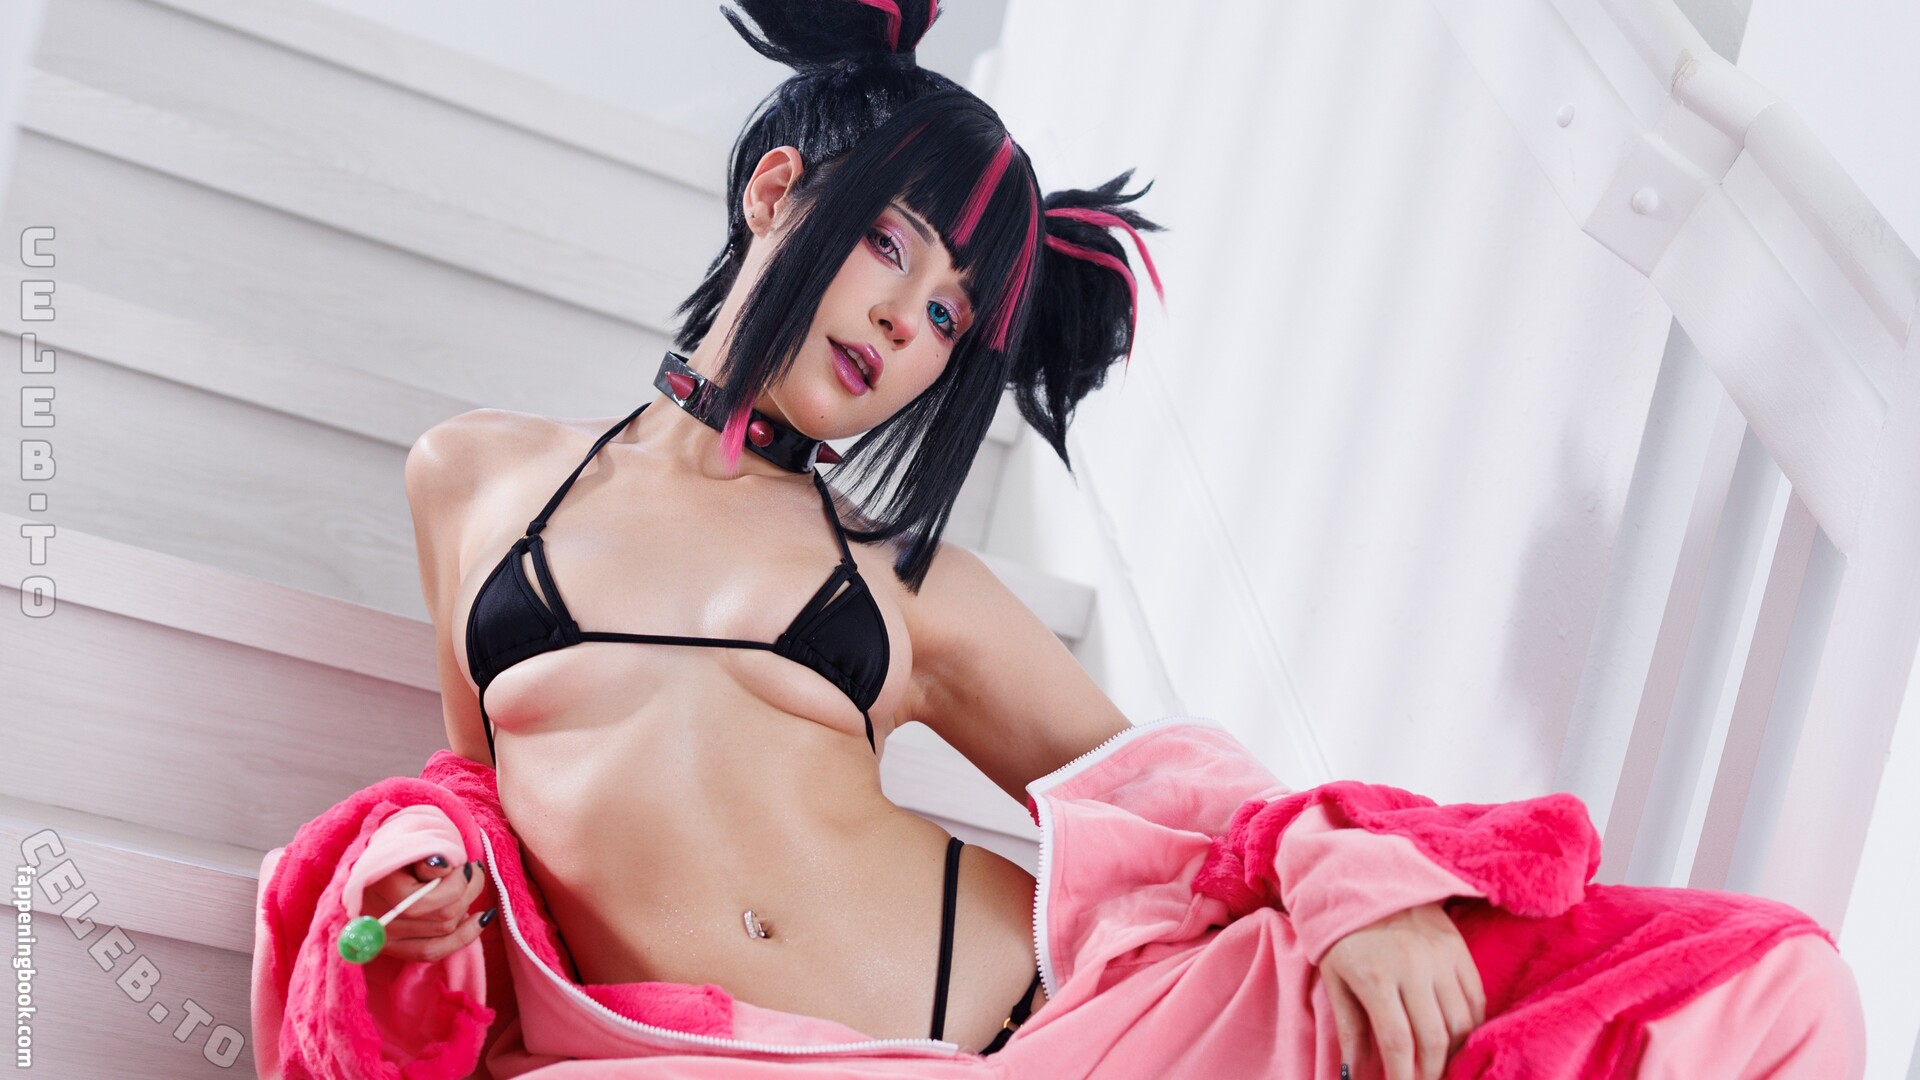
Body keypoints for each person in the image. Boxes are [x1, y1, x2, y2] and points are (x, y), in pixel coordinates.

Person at [247, 3, 1869, 1078]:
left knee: (1766, 988)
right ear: (777, 192)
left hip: (1073, 1037)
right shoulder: (476, 481)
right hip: (708, 1055)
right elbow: (486, 790)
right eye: (894, 245)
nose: (910, 317)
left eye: (956, 311)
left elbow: (1181, 797)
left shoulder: (911, 592)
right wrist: (420, 877)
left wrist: (1350, 875)